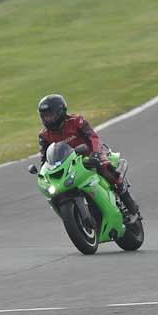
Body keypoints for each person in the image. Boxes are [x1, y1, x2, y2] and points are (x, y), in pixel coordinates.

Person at [37, 94, 140, 223]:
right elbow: (44, 156)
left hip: (90, 154)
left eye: (50, 115)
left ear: (60, 112)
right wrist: (43, 172)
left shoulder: (76, 121)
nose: (48, 119)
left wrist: (95, 153)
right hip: (68, 163)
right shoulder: (44, 135)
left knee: (106, 168)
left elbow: (93, 137)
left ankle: (131, 207)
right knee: (56, 188)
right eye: (45, 116)